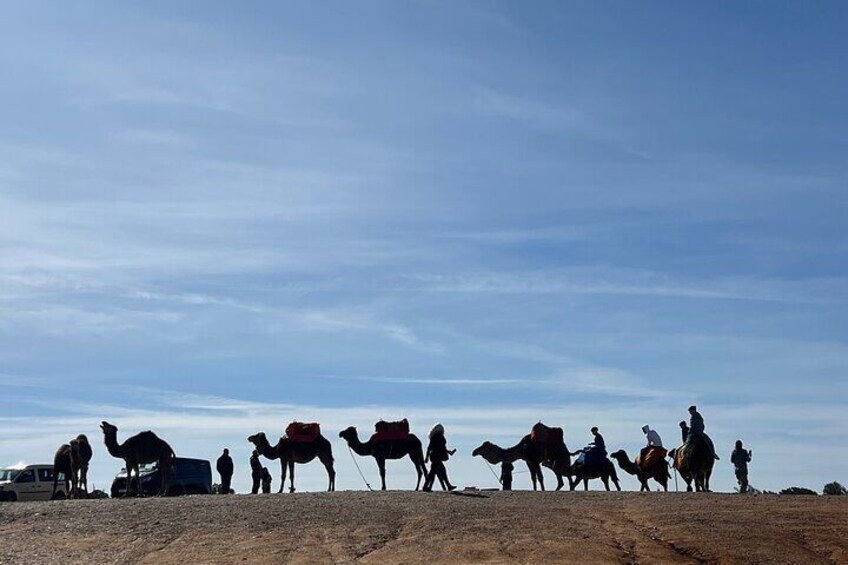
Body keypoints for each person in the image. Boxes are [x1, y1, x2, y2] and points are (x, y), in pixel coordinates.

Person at [422, 423, 457, 492]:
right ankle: (425, 487)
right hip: (437, 457)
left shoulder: (434, 437)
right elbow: (441, 447)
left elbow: (431, 448)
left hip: (435, 456)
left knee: (441, 471)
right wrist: (448, 452)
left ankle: (448, 486)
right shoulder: (439, 437)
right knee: (433, 473)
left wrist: (427, 457)